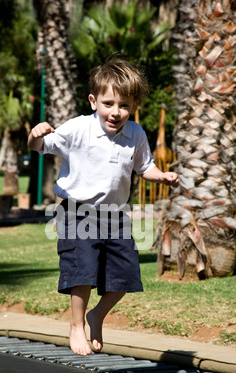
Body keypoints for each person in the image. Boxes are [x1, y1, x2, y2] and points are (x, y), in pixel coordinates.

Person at [28, 57, 179, 356]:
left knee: (125, 276)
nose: (116, 112)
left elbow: (144, 167)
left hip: (115, 215)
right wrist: (34, 136)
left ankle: (96, 315)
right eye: (108, 103)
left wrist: (161, 176)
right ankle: (75, 326)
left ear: (133, 106)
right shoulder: (79, 128)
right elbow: (41, 148)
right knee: (82, 270)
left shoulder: (135, 134)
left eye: (124, 105)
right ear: (93, 101)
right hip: (77, 211)